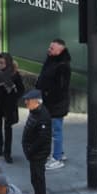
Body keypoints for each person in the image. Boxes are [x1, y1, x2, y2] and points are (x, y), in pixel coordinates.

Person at [36, 39, 71, 169]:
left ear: (60, 51)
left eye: (52, 48)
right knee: (53, 130)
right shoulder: (51, 60)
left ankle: (57, 158)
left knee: (56, 131)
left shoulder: (63, 66)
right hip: (50, 102)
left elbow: (61, 87)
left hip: (56, 104)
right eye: (49, 47)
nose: (49, 49)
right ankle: (58, 152)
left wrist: (47, 93)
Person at [20, 89, 51, 194]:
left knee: (38, 180)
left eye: (28, 100)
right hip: (33, 153)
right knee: (35, 179)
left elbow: (42, 139)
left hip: (38, 154)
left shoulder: (43, 116)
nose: (26, 102)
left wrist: (30, 150)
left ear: (37, 102)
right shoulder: (35, 112)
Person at [0, 52, 24, 164]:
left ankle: (7, 153)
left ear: (8, 63)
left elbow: (21, 90)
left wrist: (12, 92)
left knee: (8, 129)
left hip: (9, 105)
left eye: (2, 63)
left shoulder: (14, 74)